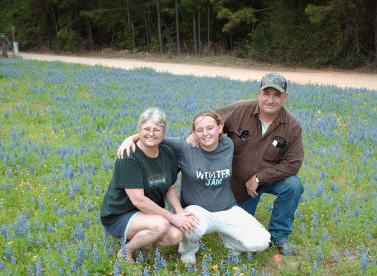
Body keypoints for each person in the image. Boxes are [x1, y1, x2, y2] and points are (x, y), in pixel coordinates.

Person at [117, 111, 271, 264]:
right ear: (194, 132)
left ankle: (230, 241)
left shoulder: (228, 144)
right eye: (199, 130)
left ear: (220, 128)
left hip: (227, 208)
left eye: (210, 128)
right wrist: (129, 139)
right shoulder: (185, 147)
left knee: (261, 241)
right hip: (197, 210)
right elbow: (154, 137)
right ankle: (188, 249)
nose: (205, 134)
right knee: (187, 224)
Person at [213, 73, 304, 255]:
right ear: (259, 93)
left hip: (267, 179)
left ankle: (279, 237)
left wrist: (259, 177)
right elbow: (210, 121)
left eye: (276, 95)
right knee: (237, 234)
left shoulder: (291, 124)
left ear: (284, 97)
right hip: (238, 185)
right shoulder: (239, 110)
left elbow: (293, 163)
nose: (270, 100)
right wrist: (194, 136)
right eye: (266, 93)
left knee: (293, 186)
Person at [100, 107, 199, 262]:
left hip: (148, 213)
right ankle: (126, 252)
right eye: (146, 129)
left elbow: (170, 187)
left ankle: (141, 239)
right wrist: (171, 217)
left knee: (176, 235)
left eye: (157, 129)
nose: (151, 133)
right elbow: (138, 200)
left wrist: (179, 211)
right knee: (161, 224)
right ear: (139, 130)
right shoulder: (129, 156)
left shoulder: (167, 152)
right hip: (121, 213)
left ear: (164, 132)